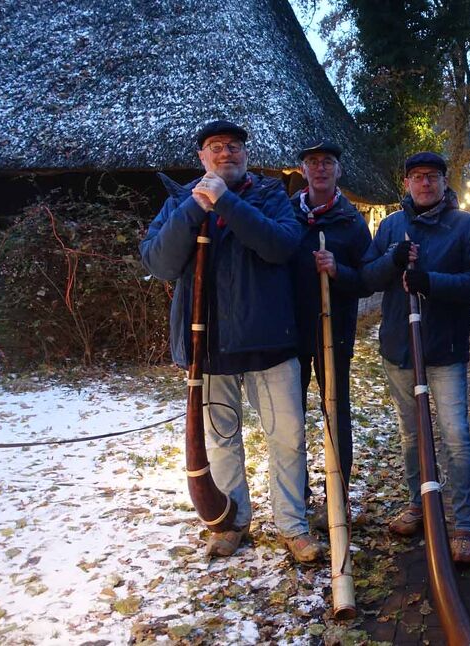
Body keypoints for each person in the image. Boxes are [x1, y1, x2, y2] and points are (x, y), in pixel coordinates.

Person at [140, 120, 320, 562]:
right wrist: (197, 205)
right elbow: (160, 262)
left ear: (245, 153)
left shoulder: (270, 195)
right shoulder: (181, 200)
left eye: (235, 146)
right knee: (221, 440)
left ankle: (293, 526)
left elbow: (280, 246)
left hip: (269, 344)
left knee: (288, 439)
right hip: (209, 350)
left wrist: (226, 202)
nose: (227, 153)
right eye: (216, 147)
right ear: (202, 157)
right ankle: (233, 521)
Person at [361, 151, 470, 565]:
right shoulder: (391, 227)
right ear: (406, 183)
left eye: (432, 177)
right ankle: (417, 505)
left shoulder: (464, 226)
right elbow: (367, 278)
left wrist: (430, 282)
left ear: (443, 181)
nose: (424, 184)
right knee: (411, 435)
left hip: (443, 350)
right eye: (417, 177)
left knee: (456, 438)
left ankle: (465, 524)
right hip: (399, 349)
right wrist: (392, 261)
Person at [290, 141, 372, 525]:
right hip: (290, 333)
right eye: (312, 162)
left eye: (327, 163)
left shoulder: (352, 222)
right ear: (302, 170)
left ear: (338, 171)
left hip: (334, 333)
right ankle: (297, 493)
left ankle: (336, 496)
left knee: (336, 412)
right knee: (291, 417)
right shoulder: (286, 213)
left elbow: (368, 281)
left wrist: (339, 271)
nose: (320, 168)